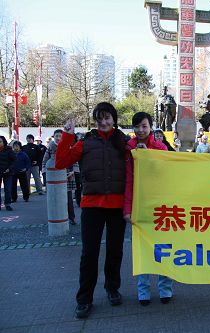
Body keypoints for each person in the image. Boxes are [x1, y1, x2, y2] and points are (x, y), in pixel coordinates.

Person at [55, 102, 128, 319]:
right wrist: (67, 135)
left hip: (117, 206)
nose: (103, 123)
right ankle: (84, 299)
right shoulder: (85, 143)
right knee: (89, 254)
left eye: (107, 118)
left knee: (115, 251)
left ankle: (112, 288)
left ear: (114, 119)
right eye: (99, 119)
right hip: (92, 206)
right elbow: (61, 162)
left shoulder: (124, 142)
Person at [123, 112, 174, 306]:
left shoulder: (161, 148)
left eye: (144, 126)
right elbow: (129, 180)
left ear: (151, 127)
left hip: (160, 206)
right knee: (141, 248)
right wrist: (127, 209)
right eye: (137, 126)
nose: (140, 130)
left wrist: (148, 158)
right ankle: (143, 290)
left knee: (164, 248)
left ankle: (165, 288)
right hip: (139, 206)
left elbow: (166, 176)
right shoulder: (128, 149)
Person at [43, 129, 77, 225]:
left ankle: (71, 217)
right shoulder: (50, 147)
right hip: (53, 176)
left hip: (67, 175)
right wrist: (45, 171)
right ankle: (56, 217)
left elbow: (74, 160)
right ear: (53, 137)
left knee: (68, 198)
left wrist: (73, 172)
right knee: (54, 197)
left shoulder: (68, 146)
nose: (58, 138)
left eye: (60, 136)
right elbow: (45, 160)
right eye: (56, 136)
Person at [0, 136, 16, 211]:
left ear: (4, 142)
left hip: (8, 172)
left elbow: (14, 161)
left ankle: (8, 204)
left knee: (8, 189)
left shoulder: (9, 150)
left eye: (0, 141)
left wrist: (9, 168)